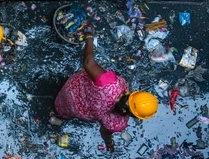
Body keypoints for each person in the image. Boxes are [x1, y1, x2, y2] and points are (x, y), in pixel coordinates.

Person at [53, 23, 159, 152]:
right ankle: (57, 114)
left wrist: (89, 37)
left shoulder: (110, 84)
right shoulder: (118, 123)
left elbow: (89, 63)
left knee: (62, 94)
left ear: (134, 94)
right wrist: (109, 144)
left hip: (73, 88)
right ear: (135, 116)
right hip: (77, 109)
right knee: (62, 110)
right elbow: (105, 133)